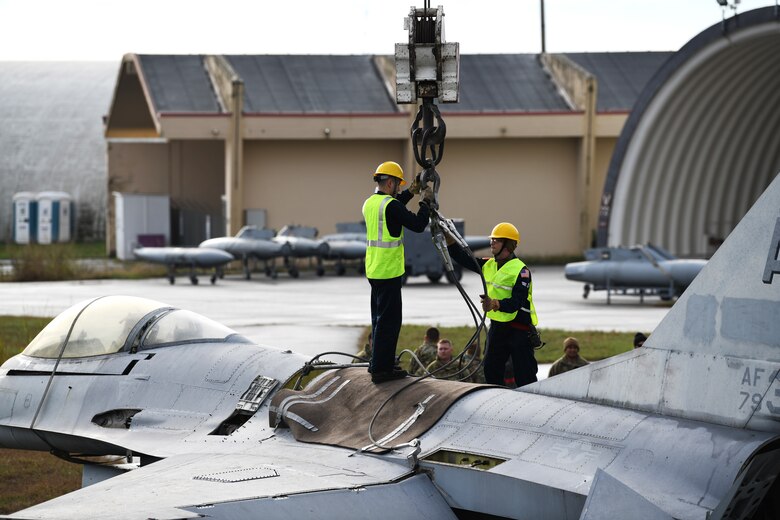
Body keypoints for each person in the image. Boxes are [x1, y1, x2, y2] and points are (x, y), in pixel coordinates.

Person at [363, 161, 432, 383]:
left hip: (374, 270)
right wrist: (426, 202)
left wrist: (410, 192)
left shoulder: (371, 203)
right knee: (389, 322)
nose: (398, 189)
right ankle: (382, 370)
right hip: (388, 271)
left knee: (378, 319)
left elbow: (394, 208)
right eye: (398, 185)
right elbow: (418, 224)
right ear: (391, 183)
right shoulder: (390, 206)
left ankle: (378, 362)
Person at [447, 222, 539, 387]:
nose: (492, 242)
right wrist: (449, 240)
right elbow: (465, 259)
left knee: (525, 377)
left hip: (519, 329)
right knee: (490, 370)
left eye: (496, 240)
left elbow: (516, 302)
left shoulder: (521, 271)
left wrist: (494, 303)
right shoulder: (489, 264)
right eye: (492, 239)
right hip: (498, 327)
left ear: (508, 245)